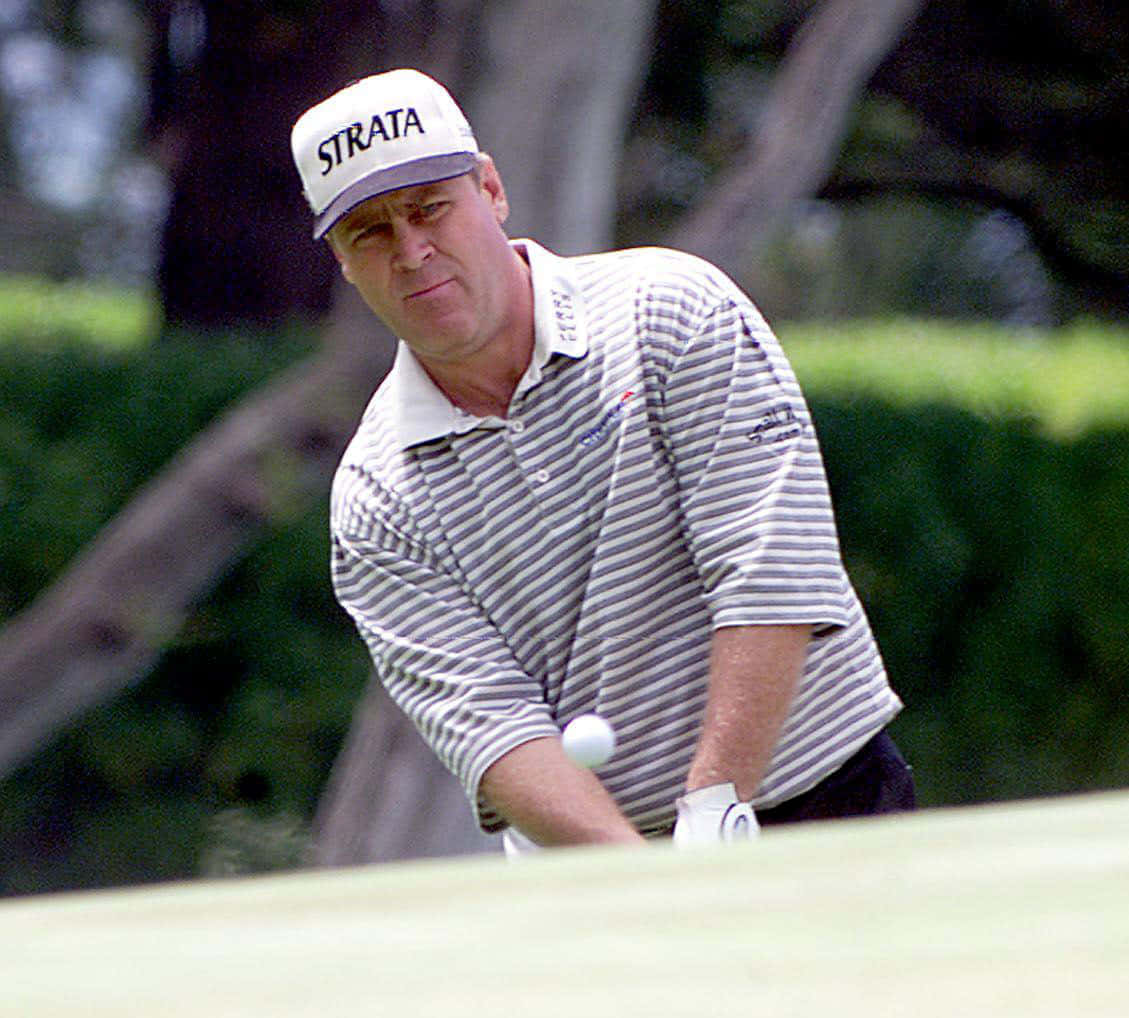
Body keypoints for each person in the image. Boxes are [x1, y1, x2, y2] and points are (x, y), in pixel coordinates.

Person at [290, 68, 915, 855]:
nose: (411, 252)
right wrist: (632, 877)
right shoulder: (377, 498)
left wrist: (715, 805)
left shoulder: (670, 311)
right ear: (343, 263)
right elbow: (489, 725)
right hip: (593, 863)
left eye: (429, 210)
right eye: (370, 234)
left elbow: (770, 565)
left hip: (827, 801)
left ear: (490, 190)